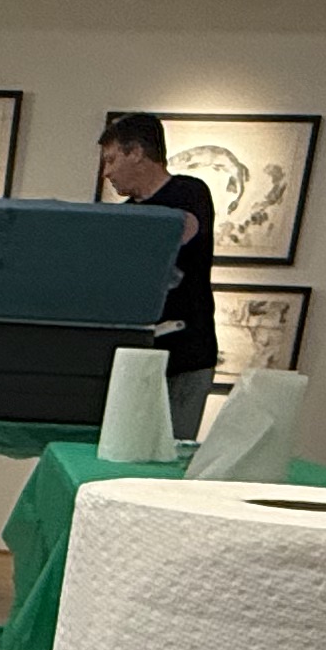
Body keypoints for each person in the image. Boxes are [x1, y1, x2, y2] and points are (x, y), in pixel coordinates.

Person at [95, 112, 216, 444]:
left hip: (187, 355)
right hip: (136, 357)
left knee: (170, 452)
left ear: (136, 153)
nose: (107, 173)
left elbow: (175, 233)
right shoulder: (126, 215)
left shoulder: (189, 192)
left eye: (112, 159)